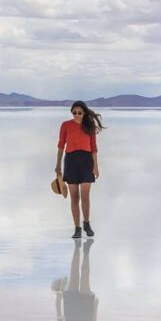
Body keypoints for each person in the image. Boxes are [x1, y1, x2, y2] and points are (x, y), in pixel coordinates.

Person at [54, 100, 105, 239]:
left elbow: (94, 149)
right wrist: (58, 165)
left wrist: (96, 166)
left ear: (84, 113)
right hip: (71, 161)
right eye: (74, 112)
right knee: (74, 197)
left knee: (85, 197)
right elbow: (60, 146)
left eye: (79, 113)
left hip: (86, 162)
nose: (76, 115)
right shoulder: (65, 125)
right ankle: (77, 228)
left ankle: (86, 224)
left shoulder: (90, 126)